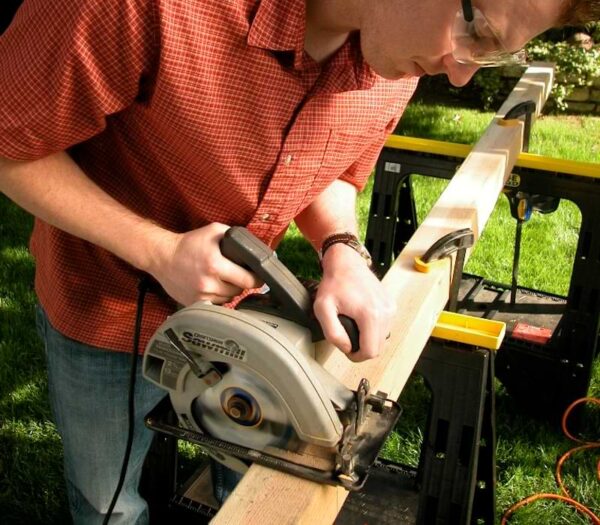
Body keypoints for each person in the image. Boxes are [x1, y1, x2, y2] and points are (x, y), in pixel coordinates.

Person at [0, 0, 597, 523]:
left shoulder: (399, 52)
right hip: (100, 301)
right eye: (478, 31)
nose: (462, 74)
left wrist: (341, 249)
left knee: (254, 476)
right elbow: (9, 146)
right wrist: (156, 250)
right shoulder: (145, 6)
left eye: (491, 54)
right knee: (108, 501)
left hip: (242, 320)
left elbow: (333, 167)